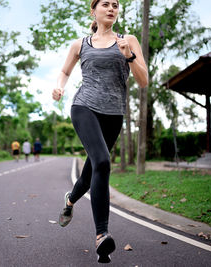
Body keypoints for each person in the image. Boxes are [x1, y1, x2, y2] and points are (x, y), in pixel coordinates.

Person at [52, 0, 148, 263]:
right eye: (105, 4)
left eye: (115, 5)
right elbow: (64, 70)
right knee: (103, 163)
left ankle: (70, 200)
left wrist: (128, 54)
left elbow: (143, 81)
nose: (111, 8)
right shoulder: (80, 44)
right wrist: (59, 86)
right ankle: (102, 236)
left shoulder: (128, 40)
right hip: (84, 107)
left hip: (113, 114)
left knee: (90, 172)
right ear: (93, 11)